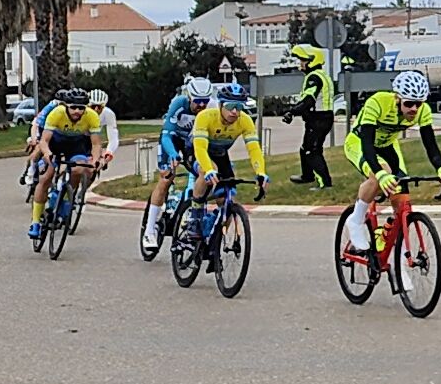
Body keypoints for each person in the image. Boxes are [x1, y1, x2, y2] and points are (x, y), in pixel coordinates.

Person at [339, 71, 441, 256]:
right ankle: (356, 219)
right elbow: (367, 144)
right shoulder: (377, 102)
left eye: (419, 104)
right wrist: (380, 174)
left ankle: (397, 260)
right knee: (381, 174)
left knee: (401, 197)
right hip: (360, 143)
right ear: (396, 98)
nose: (414, 109)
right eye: (409, 103)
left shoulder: (422, 111)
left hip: (388, 146)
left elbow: (430, 144)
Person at [188, 84, 268, 261]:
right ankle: (194, 218)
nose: (235, 112)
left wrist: (261, 173)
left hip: (220, 154)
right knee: (209, 173)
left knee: (226, 198)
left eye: (239, 107)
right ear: (220, 105)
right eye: (231, 107)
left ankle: (215, 238)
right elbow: (200, 148)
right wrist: (208, 170)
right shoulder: (206, 117)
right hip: (197, 152)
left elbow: (254, 149)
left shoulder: (244, 120)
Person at [28, 87, 105, 241]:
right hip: (56, 141)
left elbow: (96, 144)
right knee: (46, 178)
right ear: (66, 106)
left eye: (81, 108)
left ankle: (65, 198)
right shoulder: (57, 113)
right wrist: (47, 153)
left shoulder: (91, 116)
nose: (77, 111)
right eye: (73, 107)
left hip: (76, 143)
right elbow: (44, 140)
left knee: (79, 168)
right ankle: (35, 222)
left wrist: (96, 159)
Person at [143, 77, 212, 249]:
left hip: (193, 143)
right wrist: (173, 154)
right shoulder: (179, 103)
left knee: (201, 175)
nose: (202, 106)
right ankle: (150, 230)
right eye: (198, 102)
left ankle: (192, 218)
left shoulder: (212, 108)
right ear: (189, 97)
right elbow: (166, 134)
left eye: (205, 101)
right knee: (166, 178)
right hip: (172, 140)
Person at [281, 44, 336, 189]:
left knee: (312, 151)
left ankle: (325, 184)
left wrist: (292, 111)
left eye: (303, 60)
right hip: (322, 118)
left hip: (318, 119)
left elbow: (309, 100)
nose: (301, 63)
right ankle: (307, 176)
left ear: (312, 61)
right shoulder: (323, 76)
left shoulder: (314, 78)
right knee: (305, 148)